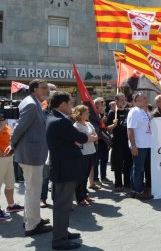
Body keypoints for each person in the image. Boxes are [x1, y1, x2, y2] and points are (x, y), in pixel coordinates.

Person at [4, 79, 52, 236]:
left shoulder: (33, 102)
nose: (47, 90)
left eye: (47, 88)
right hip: (31, 154)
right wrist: (12, 144)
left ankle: (32, 219)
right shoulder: (31, 104)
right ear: (34, 89)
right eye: (43, 88)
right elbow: (19, 127)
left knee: (32, 190)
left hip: (32, 153)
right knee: (33, 191)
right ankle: (32, 226)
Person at [46, 91, 93, 249]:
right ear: (63, 104)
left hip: (63, 167)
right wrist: (87, 137)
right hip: (65, 169)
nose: (73, 107)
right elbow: (80, 137)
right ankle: (59, 240)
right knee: (62, 206)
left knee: (64, 205)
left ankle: (63, 233)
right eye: (71, 103)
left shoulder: (55, 117)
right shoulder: (60, 121)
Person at [127, 93, 153, 200]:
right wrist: (133, 145)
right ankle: (139, 191)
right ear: (136, 101)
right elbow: (130, 129)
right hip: (139, 145)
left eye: (146, 98)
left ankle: (134, 190)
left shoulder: (145, 112)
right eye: (143, 98)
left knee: (137, 168)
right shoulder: (134, 111)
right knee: (139, 169)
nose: (146, 100)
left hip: (147, 144)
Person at [72, 105, 98, 206]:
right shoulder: (76, 126)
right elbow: (78, 140)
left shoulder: (88, 124)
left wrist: (88, 138)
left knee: (86, 175)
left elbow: (96, 136)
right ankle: (79, 198)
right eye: (86, 112)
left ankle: (85, 194)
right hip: (82, 154)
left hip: (91, 152)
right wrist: (89, 138)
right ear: (80, 114)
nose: (89, 114)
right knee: (80, 176)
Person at [106, 93, 132, 192]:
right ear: (116, 101)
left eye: (124, 99)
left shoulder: (128, 112)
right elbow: (107, 128)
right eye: (121, 100)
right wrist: (114, 124)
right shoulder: (112, 113)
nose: (123, 101)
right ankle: (118, 184)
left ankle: (127, 183)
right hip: (117, 142)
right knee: (118, 164)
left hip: (128, 141)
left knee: (128, 163)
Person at [1, 119, 24, 221]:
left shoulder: (5, 124)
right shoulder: (2, 124)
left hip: (8, 157)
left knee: (10, 183)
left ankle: (11, 205)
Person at [93, 97, 111, 185]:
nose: (104, 107)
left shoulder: (105, 114)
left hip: (104, 141)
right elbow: (95, 128)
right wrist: (101, 121)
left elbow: (106, 128)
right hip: (97, 141)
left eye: (104, 105)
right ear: (96, 105)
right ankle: (95, 178)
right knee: (96, 161)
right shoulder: (93, 115)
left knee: (104, 160)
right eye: (102, 105)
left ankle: (103, 176)